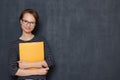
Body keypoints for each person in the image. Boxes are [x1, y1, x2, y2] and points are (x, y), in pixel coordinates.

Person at [8, 9, 55, 80]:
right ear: (21, 21)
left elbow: (51, 61)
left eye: (32, 22)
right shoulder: (14, 44)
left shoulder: (41, 40)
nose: (28, 25)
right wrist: (38, 71)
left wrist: (26, 65)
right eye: (26, 21)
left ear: (35, 24)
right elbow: (13, 70)